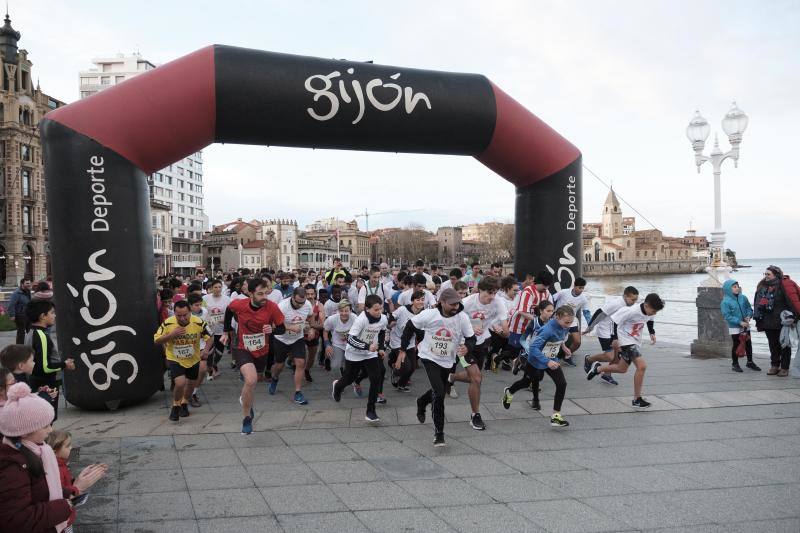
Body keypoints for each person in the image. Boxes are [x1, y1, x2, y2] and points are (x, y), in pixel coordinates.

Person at [0, 382, 108, 533]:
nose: (50, 430)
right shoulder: (12, 466)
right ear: (24, 431)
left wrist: (67, 492)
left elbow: (42, 490)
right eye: (45, 426)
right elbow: (17, 518)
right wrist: (66, 505)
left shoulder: (36, 450)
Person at [399, 288, 476, 447]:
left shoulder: (462, 317)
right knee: (440, 393)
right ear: (442, 302)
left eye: (458, 303)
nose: (456, 307)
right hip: (429, 357)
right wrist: (402, 350)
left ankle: (421, 401)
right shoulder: (429, 314)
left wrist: (467, 347)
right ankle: (439, 433)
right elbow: (409, 326)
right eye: (452, 304)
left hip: (448, 359)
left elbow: (471, 338)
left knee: (439, 388)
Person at [223, 278, 286, 434]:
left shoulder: (272, 307)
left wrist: (272, 330)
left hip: (261, 350)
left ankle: (244, 399)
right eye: (260, 294)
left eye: (266, 293)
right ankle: (246, 418)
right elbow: (229, 311)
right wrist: (226, 332)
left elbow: (282, 329)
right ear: (250, 294)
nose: (264, 297)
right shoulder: (240, 304)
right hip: (242, 347)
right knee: (250, 379)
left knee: (255, 380)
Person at [587, 293, 665, 408]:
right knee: (642, 366)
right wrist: (614, 339)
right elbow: (614, 321)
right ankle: (637, 399)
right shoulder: (631, 311)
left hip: (635, 341)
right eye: (653, 311)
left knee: (621, 368)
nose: (654, 313)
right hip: (625, 340)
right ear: (646, 305)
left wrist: (652, 332)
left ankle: (598, 368)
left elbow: (650, 319)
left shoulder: (650, 311)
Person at [502, 304, 571, 427]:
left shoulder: (564, 326)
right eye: (566, 322)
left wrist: (564, 347)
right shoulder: (547, 330)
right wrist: (547, 361)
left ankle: (556, 416)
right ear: (558, 317)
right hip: (535, 360)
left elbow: (560, 338)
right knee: (525, 382)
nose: (568, 325)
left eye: (570, 322)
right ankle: (509, 392)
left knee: (562, 384)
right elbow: (533, 348)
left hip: (551, 360)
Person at [456, 276, 508, 430]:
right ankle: (475, 415)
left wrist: (501, 330)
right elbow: (454, 324)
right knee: (477, 379)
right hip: (463, 345)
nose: (491, 297)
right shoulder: (466, 303)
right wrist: (471, 328)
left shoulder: (498, 302)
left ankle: (451, 377)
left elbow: (505, 328)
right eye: (488, 293)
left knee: (475, 377)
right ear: (480, 290)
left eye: (494, 293)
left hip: (482, 343)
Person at [331, 294, 389, 422]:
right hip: (354, 353)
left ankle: (371, 411)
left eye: (381, 309)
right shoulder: (361, 320)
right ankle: (338, 386)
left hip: (370, 354)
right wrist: (367, 346)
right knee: (349, 379)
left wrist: (381, 348)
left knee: (376, 378)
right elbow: (351, 339)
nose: (379, 312)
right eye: (376, 309)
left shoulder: (383, 318)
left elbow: (382, 331)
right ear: (367, 309)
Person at [154, 300, 212, 422]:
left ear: (190, 312)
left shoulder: (198, 322)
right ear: (174, 313)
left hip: (193, 358)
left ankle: (184, 402)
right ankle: (176, 405)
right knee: (180, 383)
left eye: (185, 315)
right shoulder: (168, 323)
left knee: (191, 384)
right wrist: (171, 335)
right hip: (175, 358)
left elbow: (210, 337)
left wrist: (206, 350)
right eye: (178, 315)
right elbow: (157, 340)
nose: (182, 318)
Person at [26, 301, 75, 421]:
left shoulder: (31, 331)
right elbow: (45, 367)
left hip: (36, 381)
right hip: (46, 383)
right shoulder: (41, 336)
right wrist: (65, 364)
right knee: (48, 420)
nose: (55, 315)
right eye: (52, 313)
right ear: (42, 316)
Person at [582, 286, 640, 385]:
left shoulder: (629, 305)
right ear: (625, 296)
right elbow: (599, 312)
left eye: (636, 300)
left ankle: (607, 374)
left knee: (618, 355)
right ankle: (589, 359)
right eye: (632, 299)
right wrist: (590, 326)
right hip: (605, 331)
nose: (634, 302)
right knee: (610, 356)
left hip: (617, 332)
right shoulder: (616, 303)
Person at [270, 287, 312, 405]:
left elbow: (310, 316)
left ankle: (298, 392)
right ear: (292, 297)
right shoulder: (282, 306)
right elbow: (274, 324)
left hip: (297, 339)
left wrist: (311, 327)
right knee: (279, 365)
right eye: (297, 302)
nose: (300, 305)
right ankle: (274, 378)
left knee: (300, 363)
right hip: (281, 339)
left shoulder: (307, 304)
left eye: (302, 303)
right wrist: (290, 327)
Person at [754, 266, 798, 376]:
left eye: (768, 274)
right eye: (765, 274)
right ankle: (774, 365)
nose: (766, 276)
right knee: (773, 345)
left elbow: (791, 301)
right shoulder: (763, 286)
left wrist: (794, 317)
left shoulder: (782, 286)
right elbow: (757, 303)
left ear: (776, 275)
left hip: (782, 322)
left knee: (784, 345)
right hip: (768, 322)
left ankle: (784, 368)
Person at [45, 430, 84, 532]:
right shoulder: (56, 469)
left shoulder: (61, 464)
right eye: (67, 446)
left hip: (65, 514)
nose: (71, 448)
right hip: (63, 517)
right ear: (54, 452)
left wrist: (75, 481)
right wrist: (77, 487)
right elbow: (60, 492)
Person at [388, 290, 425, 392]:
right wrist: (391, 322)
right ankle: (395, 371)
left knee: (412, 367)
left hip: (410, 342)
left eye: (422, 299)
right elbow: (392, 315)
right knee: (406, 366)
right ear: (412, 301)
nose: (420, 302)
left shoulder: (423, 314)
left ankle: (401, 384)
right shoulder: (403, 309)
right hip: (397, 340)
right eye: (418, 300)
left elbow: (422, 332)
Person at [721, 279, 760, 372]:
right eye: (734, 287)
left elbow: (749, 308)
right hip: (735, 327)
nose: (737, 288)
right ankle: (735, 364)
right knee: (736, 344)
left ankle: (750, 362)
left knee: (748, 343)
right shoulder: (725, 302)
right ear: (728, 289)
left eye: (737, 286)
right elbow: (727, 316)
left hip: (745, 325)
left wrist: (748, 316)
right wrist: (739, 322)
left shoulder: (743, 297)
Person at [552, 277, 591, 366]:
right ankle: (552, 357)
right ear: (574, 285)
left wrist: (590, 326)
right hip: (558, 319)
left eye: (582, 288)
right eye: (579, 287)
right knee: (554, 339)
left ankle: (567, 357)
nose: (581, 290)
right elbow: (552, 300)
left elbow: (586, 313)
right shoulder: (563, 292)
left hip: (571, 320)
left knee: (577, 342)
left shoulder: (583, 299)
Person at [202, 279, 231, 379]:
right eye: (215, 287)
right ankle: (210, 368)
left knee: (219, 351)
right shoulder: (205, 298)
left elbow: (229, 314)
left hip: (222, 329)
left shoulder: (227, 299)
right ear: (211, 288)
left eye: (219, 287)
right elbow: (202, 311)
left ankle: (214, 365)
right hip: (209, 329)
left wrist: (224, 321)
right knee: (209, 350)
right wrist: (207, 320)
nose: (218, 289)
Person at [323, 300, 355, 374]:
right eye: (341, 311)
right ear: (338, 311)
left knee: (351, 367)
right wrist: (327, 345)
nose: (343, 313)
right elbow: (325, 331)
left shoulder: (355, 319)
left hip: (351, 345)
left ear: (351, 311)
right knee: (335, 366)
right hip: (337, 344)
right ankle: (329, 358)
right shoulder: (332, 319)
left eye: (346, 311)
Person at [303, 284, 325, 383]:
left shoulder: (319, 305)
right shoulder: (300, 304)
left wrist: (312, 328)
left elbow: (322, 323)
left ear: (315, 294)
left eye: (312, 294)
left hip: (313, 334)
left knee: (312, 357)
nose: (310, 296)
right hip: (299, 333)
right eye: (307, 294)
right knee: (298, 356)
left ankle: (306, 370)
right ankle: (297, 367)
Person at [7, 279, 32, 345]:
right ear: (22, 284)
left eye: (29, 283)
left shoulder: (28, 291)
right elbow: (11, 305)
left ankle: (30, 345)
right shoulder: (16, 293)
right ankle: (19, 348)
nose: (29, 284)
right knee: (21, 332)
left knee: (30, 331)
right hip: (20, 315)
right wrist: (12, 315)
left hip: (28, 314)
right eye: (27, 283)